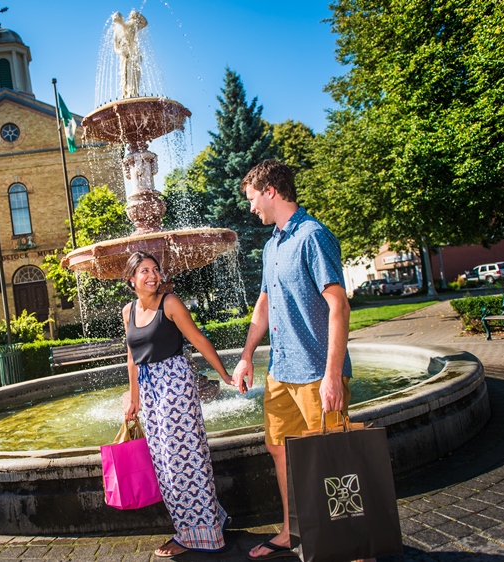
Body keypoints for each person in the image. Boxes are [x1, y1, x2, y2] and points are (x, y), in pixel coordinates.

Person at [231, 160, 353, 561]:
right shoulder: (273, 244)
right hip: (280, 372)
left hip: (318, 371)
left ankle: (354, 544)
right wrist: (247, 355)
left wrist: (332, 375)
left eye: (252, 199)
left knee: (334, 459)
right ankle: (291, 529)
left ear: (271, 191)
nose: (251, 208)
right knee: (279, 448)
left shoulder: (314, 236)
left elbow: (339, 305)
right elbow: (264, 303)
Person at [122, 250, 233, 558]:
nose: (152, 275)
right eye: (144, 271)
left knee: (185, 460)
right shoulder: (127, 311)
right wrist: (133, 398)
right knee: (164, 463)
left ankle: (198, 534)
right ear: (131, 279)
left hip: (174, 385)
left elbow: (197, 339)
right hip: (149, 389)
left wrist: (223, 373)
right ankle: (205, 522)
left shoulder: (169, 303)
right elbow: (132, 357)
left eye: (154, 269)